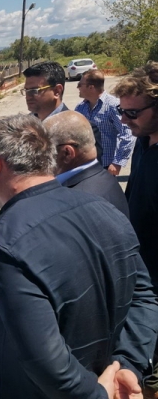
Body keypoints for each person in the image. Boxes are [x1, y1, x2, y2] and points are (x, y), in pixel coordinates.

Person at [0, 114, 157, 398]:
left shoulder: (2, 242)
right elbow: (144, 297)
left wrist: (96, 394)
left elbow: (44, 359)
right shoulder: (103, 207)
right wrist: (128, 364)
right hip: (109, 376)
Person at [114, 63, 158, 398]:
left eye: (132, 112)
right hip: (142, 272)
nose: (124, 120)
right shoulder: (144, 143)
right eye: (121, 111)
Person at [44, 111, 129, 218]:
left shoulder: (74, 200)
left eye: (43, 150)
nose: (39, 156)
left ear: (67, 153)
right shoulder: (104, 178)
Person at [23, 60, 104, 162]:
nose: (28, 96)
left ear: (57, 91)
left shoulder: (83, 128)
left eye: (34, 90)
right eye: (26, 90)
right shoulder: (25, 127)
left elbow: (90, 169)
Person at [75, 70, 135, 175]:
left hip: (105, 167)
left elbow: (127, 134)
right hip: (85, 167)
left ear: (91, 87)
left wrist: (117, 162)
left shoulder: (112, 105)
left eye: (80, 84)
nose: (77, 87)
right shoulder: (80, 108)